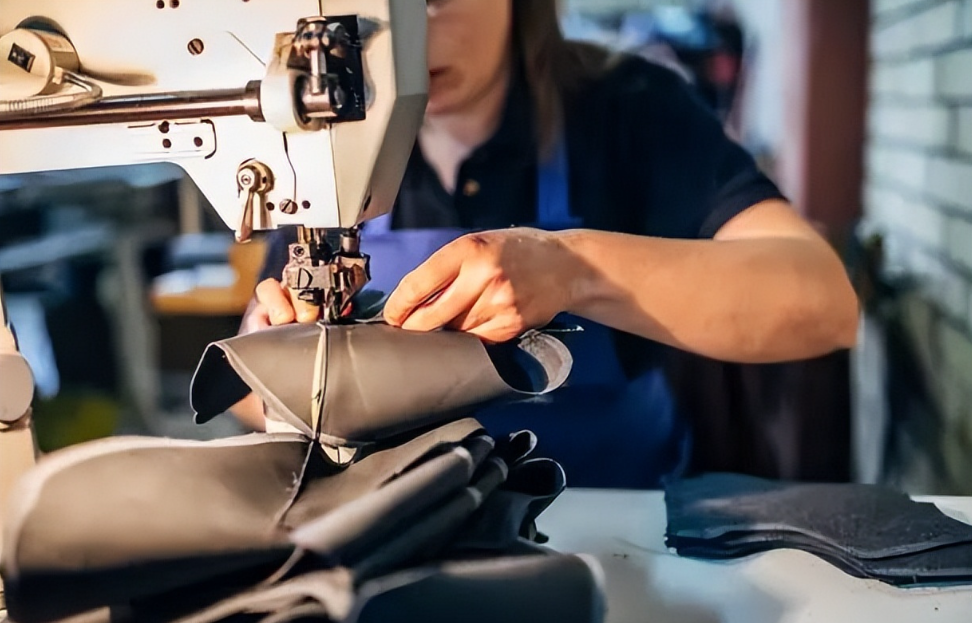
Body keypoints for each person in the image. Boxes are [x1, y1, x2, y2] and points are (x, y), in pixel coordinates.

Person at [233, 0, 858, 488]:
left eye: (433, 1)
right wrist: (283, 367)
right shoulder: (330, 142)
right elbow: (245, 390)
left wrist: (572, 269)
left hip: (623, 523)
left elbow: (822, 302)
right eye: (368, 11)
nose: (403, 39)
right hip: (409, 527)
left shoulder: (629, 108)